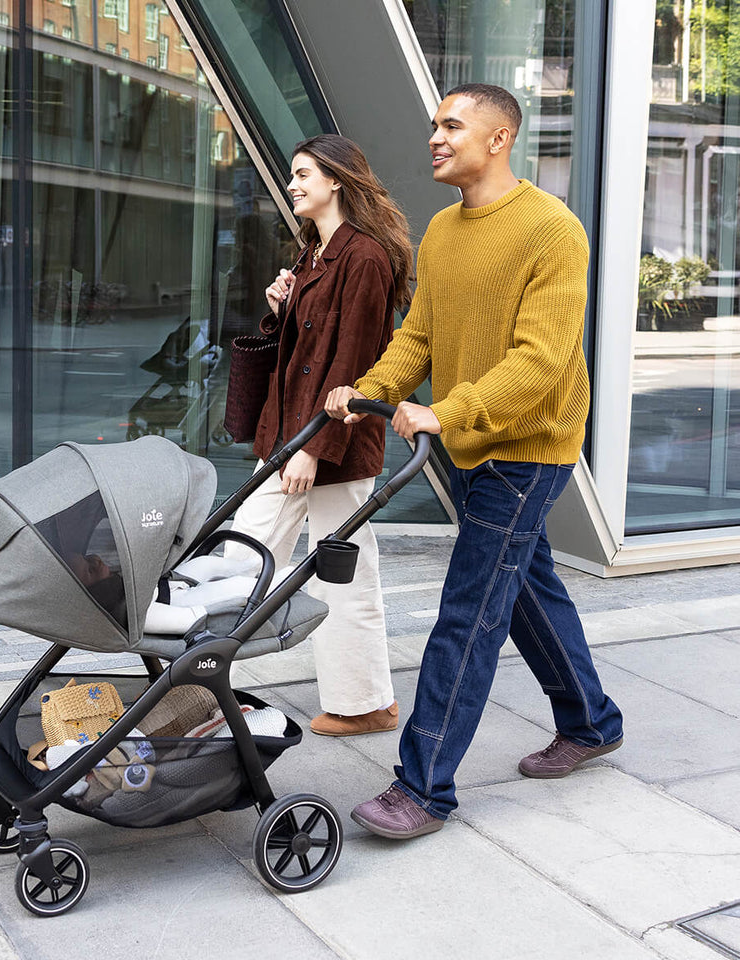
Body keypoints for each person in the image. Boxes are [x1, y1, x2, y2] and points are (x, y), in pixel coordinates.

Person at [325, 83, 623, 836]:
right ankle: (591, 720)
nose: (435, 136)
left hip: (526, 451)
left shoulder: (552, 230)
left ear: (499, 139)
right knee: (522, 585)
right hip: (467, 445)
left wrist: (445, 410)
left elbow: (542, 358)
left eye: (452, 125)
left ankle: (422, 789)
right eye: (435, 124)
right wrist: (371, 388)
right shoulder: (442, 231)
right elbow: (419, 333)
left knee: (468, 614)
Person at [226, 134, 414, 737]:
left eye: (304, 174)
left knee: (343, 573)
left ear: (337, 180)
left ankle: (364, 705)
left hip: (326, 440)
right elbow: (305, 353)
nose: (293, 184)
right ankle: (201, 682)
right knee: (242, 553)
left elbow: (355, 359)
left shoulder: (363, 257)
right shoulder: (315, 252)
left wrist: (312, 447)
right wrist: (280, 311)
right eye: (291, 175)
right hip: (293, 434)